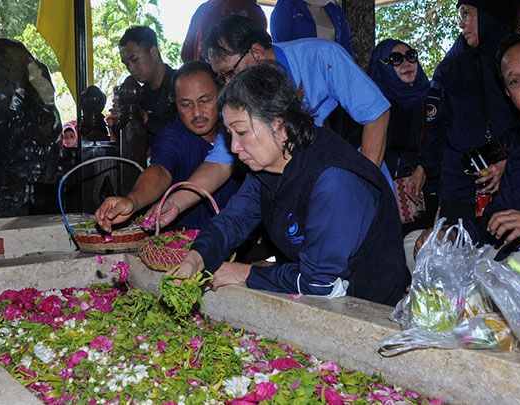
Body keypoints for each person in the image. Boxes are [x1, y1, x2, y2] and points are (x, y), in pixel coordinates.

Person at [173, 62, 409, 306]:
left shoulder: (334, 179)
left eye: (241, 132)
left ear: (281, 127)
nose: (234, 147)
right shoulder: (267, 163)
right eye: (230, 135)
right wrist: (196, 258)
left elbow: (319, 284)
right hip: (319, 289)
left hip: (369, 307)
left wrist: (243, 273)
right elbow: (233, 220)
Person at [149, 15, 391, 227]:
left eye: (231, 72)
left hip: (355, 170)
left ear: (256, 52)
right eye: (221, 76)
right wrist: (175, 203)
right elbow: (220, 163)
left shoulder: (320, 56)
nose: (228, 82)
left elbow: (375, 113)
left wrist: (362, 184)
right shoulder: (243, 96)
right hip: (307, 187)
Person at [414, 33, 520, 259]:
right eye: (515, 81)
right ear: (507, 93)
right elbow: (493, 219)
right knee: (420, 245)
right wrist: (452, 235)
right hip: (513, 252)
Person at [96, 61, 239, 233]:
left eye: (205, 101)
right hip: (189, 242)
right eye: (186, 104)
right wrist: (132, 201)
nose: (197, 113)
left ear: (221, 94)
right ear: (174, 103)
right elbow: (160, 171)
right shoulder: (173, 137)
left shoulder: (238, 129)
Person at [421, 0, 520, 224]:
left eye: (466, 14)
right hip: (459, 187)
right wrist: (426, 167)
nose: (461, 24)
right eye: (460, 16)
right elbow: (438, 126)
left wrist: (513, 161)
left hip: (515, 181)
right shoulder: (453, 67)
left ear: (489, 13)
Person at [367, 39, 438, 235]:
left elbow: (442, 141)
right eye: (396, 59)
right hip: (382, 201)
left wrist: (424, 166)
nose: (406, 63)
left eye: (411, 56)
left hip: (425, 199)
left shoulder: (432, 98)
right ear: (382, 65)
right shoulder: (371, 108)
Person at [114, 26, 177, 145]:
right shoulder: (139, 96)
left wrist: (146, 119)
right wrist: (121, 123)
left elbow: (189, 131)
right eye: (126, 64)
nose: (131, 69)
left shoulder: (181, 85)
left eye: (135, 60)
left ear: (153, 52)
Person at [181, 0, 267, 63]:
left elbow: (187, 53)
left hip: (203, 76)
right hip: (240, 79)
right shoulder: (255, 13)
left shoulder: (203, 9)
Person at [270, 0, 353, 57]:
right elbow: (280, 47)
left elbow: (346, 50)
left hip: (331, 74)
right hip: (299, 75)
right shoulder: (286, 5)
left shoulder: (335, 10)